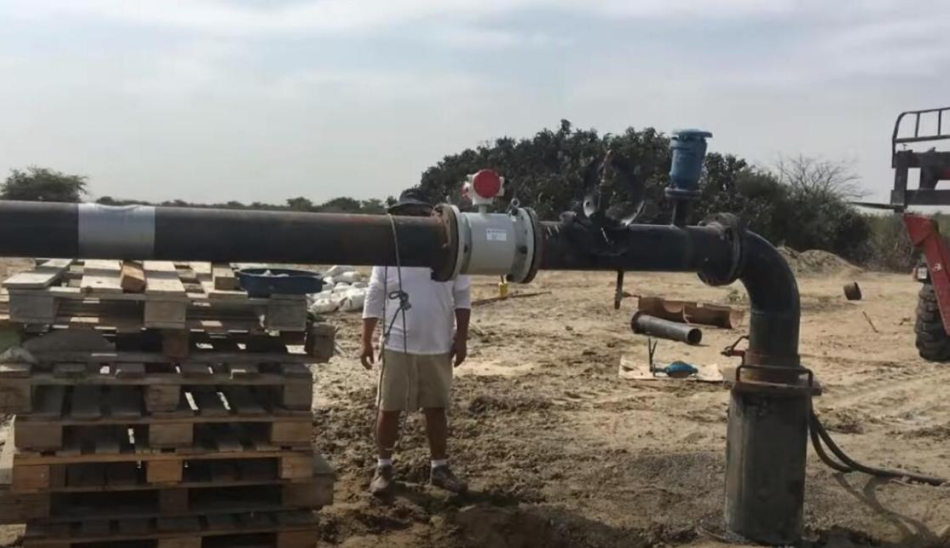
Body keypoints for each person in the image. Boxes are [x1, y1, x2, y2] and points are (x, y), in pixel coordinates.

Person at [360, 188, 472, 497]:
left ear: (430, 215)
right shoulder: (389, 253)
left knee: (436, 408)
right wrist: (366, 339)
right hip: (397, 343)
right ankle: (383, 467)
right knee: (389, 407)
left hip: (438, 345)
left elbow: (462, 296)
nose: (412, 220)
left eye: (418, 214)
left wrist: (461, 338)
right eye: (406, 215)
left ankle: (440, 467)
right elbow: (374, 294)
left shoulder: (450, 249)